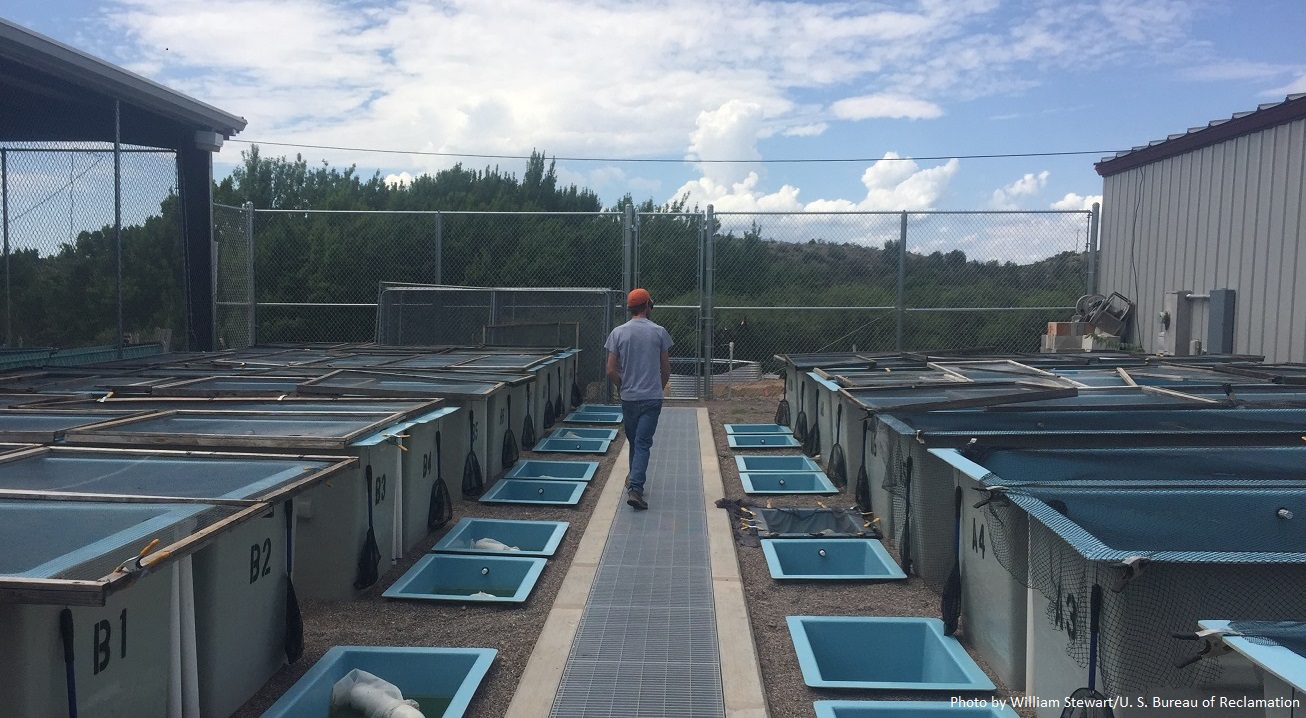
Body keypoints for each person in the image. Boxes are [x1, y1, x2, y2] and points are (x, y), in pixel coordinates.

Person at [604, 287, 672, 510]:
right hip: (651, 398)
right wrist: (658, 388)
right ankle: (635, 487)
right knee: (642, 442)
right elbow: (665, 369)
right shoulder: (659, 332)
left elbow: (610, 370)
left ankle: (634, 478)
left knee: (635, 440)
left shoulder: (618, 333)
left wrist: (622, 386)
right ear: (648, 306)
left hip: (629, 398)